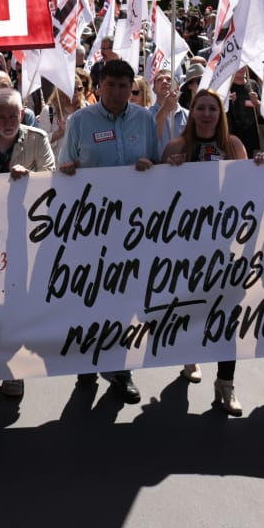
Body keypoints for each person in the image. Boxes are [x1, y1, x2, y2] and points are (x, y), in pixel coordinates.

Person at [58, 58, 158, 404]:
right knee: (90, 298)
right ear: (98, 87)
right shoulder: (80, 121)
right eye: (110, 85)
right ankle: (87, 364)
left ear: (132, 88)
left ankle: (121, 370)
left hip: (133, 229)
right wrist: (68, 171)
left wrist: (150, 166)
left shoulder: (145, 120)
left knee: (123, 300)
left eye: (123, 86)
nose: (116, 92)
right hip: (91, 228)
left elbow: (157, 165)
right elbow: (64, 166)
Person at [161, 89, 257, 414]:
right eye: (200, 108)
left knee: (226, 314)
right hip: (185, 247)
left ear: (221, 113)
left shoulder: (234, 146)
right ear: (192, 112)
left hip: (225, 245)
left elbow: (248, 188)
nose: (206, 114)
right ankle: (189, 356)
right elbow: (158, 198)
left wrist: (258, 166)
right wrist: (169, 170)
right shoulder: (176, 147)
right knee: (189, 308)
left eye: (212, 109)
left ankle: (226, 383)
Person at [150, 69, 189, 155]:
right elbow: (149, 138)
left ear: (177, 87)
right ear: (154, 89)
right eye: (160, 80)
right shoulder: (146, 115)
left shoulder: (189, 115)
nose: (164, 81)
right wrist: (165, 109)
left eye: (169, 79)